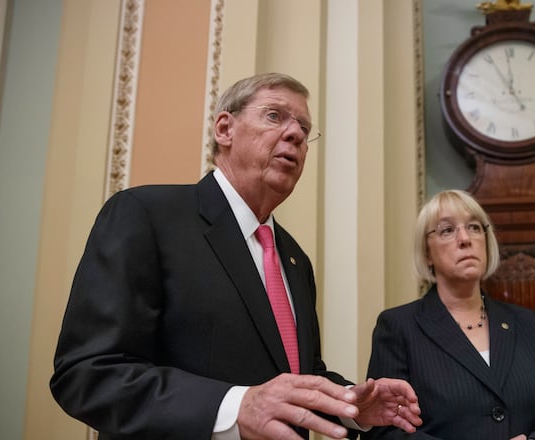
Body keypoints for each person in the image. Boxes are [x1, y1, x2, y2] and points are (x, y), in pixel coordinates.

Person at [50, 72, 422, 440]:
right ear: (225, 129)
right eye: (275, 116)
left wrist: (351, 406)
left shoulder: (294, 259)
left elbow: (298, 373)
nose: (294, 134)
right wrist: (234, 407)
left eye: (304, 130)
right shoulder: (145, 215)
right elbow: (89, 373)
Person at [362, 189, 535, 439]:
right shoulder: (398, 327)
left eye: (475, 227)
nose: (465, 238)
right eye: (447, 230)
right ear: (426, 254)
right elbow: (385, 433)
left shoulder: (526, 322)